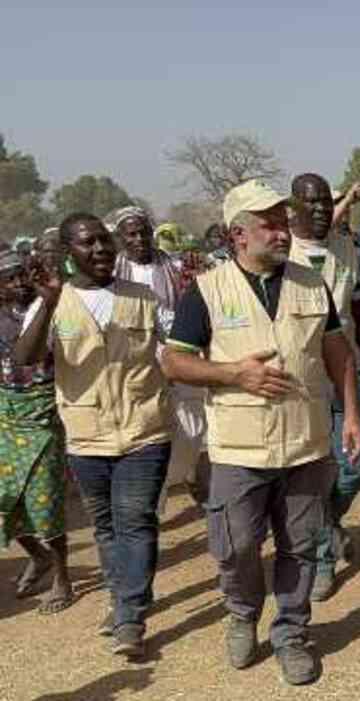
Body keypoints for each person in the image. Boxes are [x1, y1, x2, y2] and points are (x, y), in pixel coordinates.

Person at [162, 180, 360, 685]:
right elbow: (174, 361)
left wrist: (354, 414)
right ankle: (242, 613)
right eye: (269, 223)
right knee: (235, 546)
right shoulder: (206, 291)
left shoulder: (310, 282)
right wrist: (234, 374)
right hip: (238, 448)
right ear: (239, 235)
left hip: (305, 442)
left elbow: (337, 350)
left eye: (283, 220)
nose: (282, 230)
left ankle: (292, 634)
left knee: (299, 544)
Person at [14, 213, 173, 658]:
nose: (101, 249)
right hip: (86, 437)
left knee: (136, 521)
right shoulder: (51, 302)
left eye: (104, 240)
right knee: (106, 528)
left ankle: (129, 616)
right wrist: (46, 303)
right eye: (88, 243)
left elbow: (176, 347)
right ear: (68, 254)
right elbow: (25, 358)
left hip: (145, 430)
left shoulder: (144, 296)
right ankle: (122, 598)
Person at [286, 174, 360, 603]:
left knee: (358, 463)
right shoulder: (281, 251)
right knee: (314, 472)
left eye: (327, 202)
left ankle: (330, 523)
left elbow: (358, 309)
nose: (321, 209)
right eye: (312, 203)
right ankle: (323, 559)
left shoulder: (345, 248)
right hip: (301, 379)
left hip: (346, 370)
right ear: (293, 208)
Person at [105, 206, 207, 511]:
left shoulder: (175, 266)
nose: (139, 239)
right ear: (121, 238)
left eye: (143, 232)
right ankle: (152, 504)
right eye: (131, 234)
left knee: (192, 429)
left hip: (177, 352)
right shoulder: (111, 274)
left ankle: (189, 475)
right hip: (134, 361)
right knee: (146, 435)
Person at [0, 251, 72, 615]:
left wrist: (48, 302)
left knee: (44, 501)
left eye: (23, 276)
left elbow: (27, 356)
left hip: (45, 413)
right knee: (3, 501)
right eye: (10, 279)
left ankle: (62, 576)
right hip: (6, 416)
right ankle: (38, 556)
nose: (19, 284)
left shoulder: (53, 310)